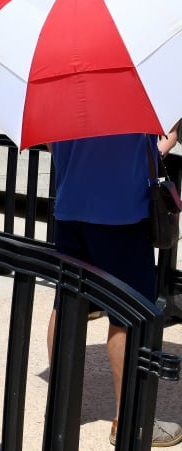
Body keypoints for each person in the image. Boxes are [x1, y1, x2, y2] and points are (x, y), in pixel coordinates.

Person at [47, 134, 182, 447]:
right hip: (121, 213)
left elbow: (53, 144)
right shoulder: (129, 89)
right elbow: (155, 141)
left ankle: (63, 406)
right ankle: (129, 420)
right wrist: (168, 138)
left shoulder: (60, 88)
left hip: (70, 209)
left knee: (67, 304)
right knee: (129, 315)